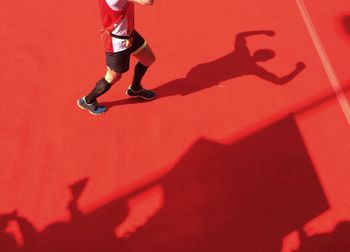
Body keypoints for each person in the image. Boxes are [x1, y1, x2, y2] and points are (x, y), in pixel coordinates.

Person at [77, 0, 157, 115]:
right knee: (113, 77)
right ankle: (87, 100)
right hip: (117, 41)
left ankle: (135, 89)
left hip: (129, 33)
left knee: (148, 59)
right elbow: (147, 1)